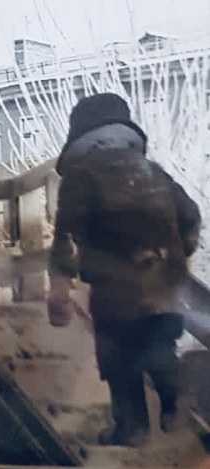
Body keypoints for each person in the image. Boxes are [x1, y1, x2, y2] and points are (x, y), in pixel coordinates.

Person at [47, 92, 201, 447]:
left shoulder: (81, 175)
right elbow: (191, 216)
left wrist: (60, 284)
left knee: (118, 357)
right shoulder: (154, 171)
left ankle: (132, 429)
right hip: (165, 285)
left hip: (115, 287)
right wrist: (178, 254)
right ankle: (175, 401)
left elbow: (68, 233)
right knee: (160, 345)